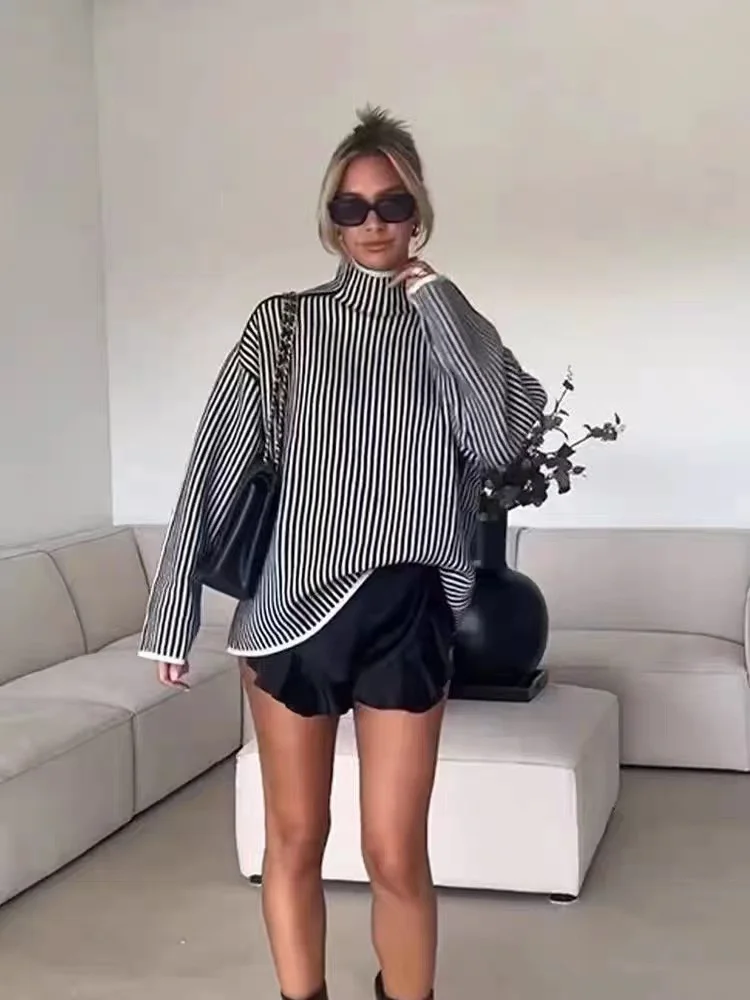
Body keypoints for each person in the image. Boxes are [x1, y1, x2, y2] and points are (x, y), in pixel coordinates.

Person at [138, 106, 547, 1000]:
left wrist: (439, 299)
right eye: (351, 207)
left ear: (419, 213)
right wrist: (172, 614)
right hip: (291, 615)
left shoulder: (449, 327)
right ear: (329, 219)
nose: (372, 223)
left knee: (397, 852)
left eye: (392, 204)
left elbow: (502, 438)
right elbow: (214, 465)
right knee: (294, 840)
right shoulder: (283, 327)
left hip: (409, 611)